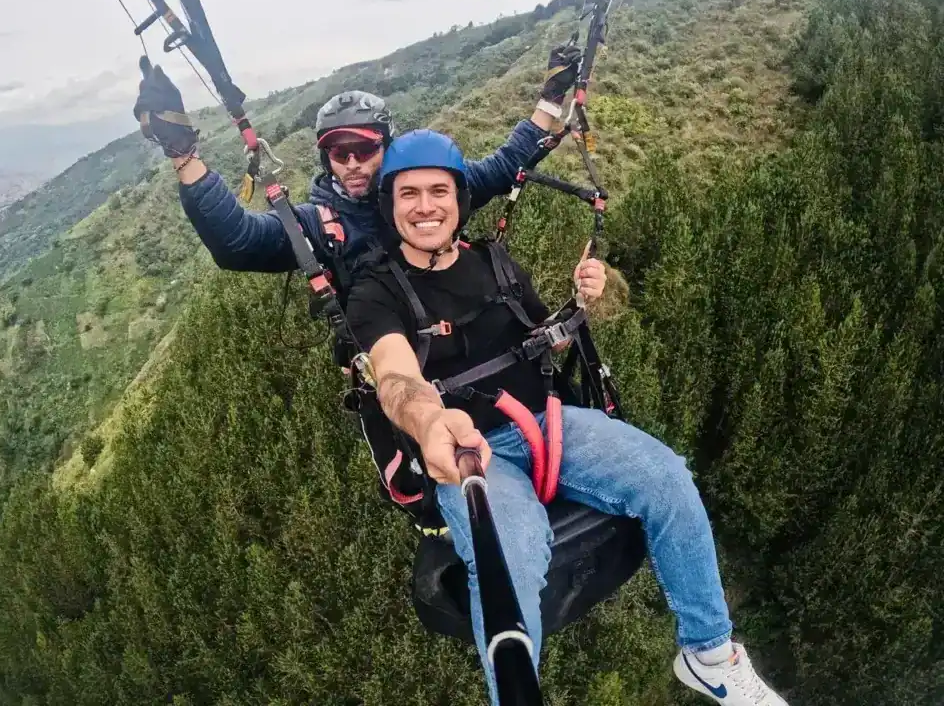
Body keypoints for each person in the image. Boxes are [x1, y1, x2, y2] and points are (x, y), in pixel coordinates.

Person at [344, 129, 791, 706]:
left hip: (550, 426)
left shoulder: (494, 262)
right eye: (409, 194)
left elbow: (540, 340)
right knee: (509, 558)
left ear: (459, 200)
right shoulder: (375, 292)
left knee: (667, 477)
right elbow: (397, 377)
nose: (425, 206)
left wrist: (582, 303)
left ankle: (709, 654)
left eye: (439, 191)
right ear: (390, 204)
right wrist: (430, 423)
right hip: (470, 451)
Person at [131, 43, 583, 293]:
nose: (351, 164)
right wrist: (182, 152)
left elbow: (505, 167)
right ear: (324, 158)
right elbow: (238, 244)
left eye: (363, 150)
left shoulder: (425, 194)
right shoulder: (321, 224)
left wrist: (551, 98)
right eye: (337, 152)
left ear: (387, 148)